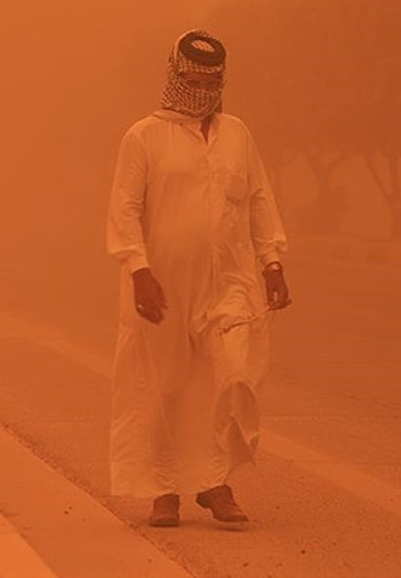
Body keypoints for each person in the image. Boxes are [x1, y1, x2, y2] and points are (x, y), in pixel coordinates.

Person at [106, 28, 291, 527]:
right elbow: (125, 210)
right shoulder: (144, 136)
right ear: (174, 77)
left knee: (231, 377)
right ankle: (164, 490)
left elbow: (258, 198)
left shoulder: (237, 134)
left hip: (230, 281)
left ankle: (215, 481)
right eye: (193, 81)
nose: (202, 91)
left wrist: (272, 262)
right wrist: (139, 271)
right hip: (162, 284)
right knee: (164, 386)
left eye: (212, 82)